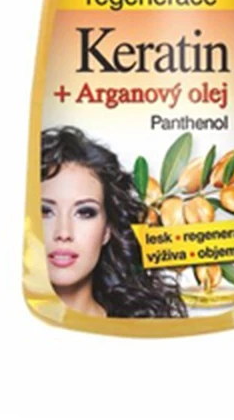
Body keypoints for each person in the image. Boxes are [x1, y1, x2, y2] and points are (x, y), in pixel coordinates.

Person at [41, 125, 187, 318]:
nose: (63, 233)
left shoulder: (143, 327)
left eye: (85, 212)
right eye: (45, 211)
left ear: (106, 230)